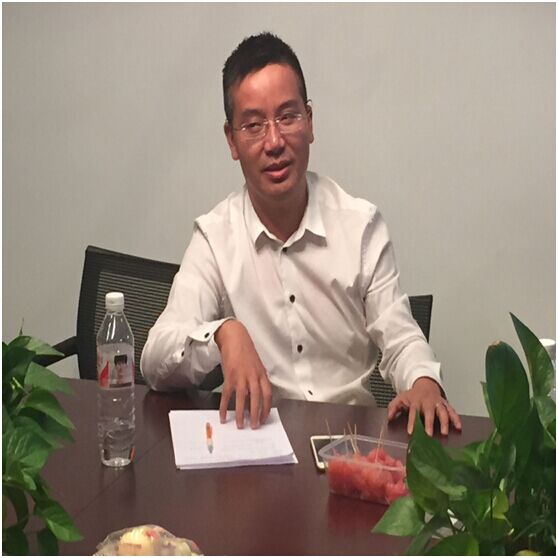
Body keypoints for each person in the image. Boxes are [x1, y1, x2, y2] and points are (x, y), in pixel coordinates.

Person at [141, 32, 461, 437]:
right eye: (253, 125)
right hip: (258, 446)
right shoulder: (215, 236)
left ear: (309, 122)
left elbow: (400, 336)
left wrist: (424, 382)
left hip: (348, 444)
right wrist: (224, 334)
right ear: (231, 141)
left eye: (288, 117)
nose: (274, 142)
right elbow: (155, 357)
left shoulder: (360, 226)